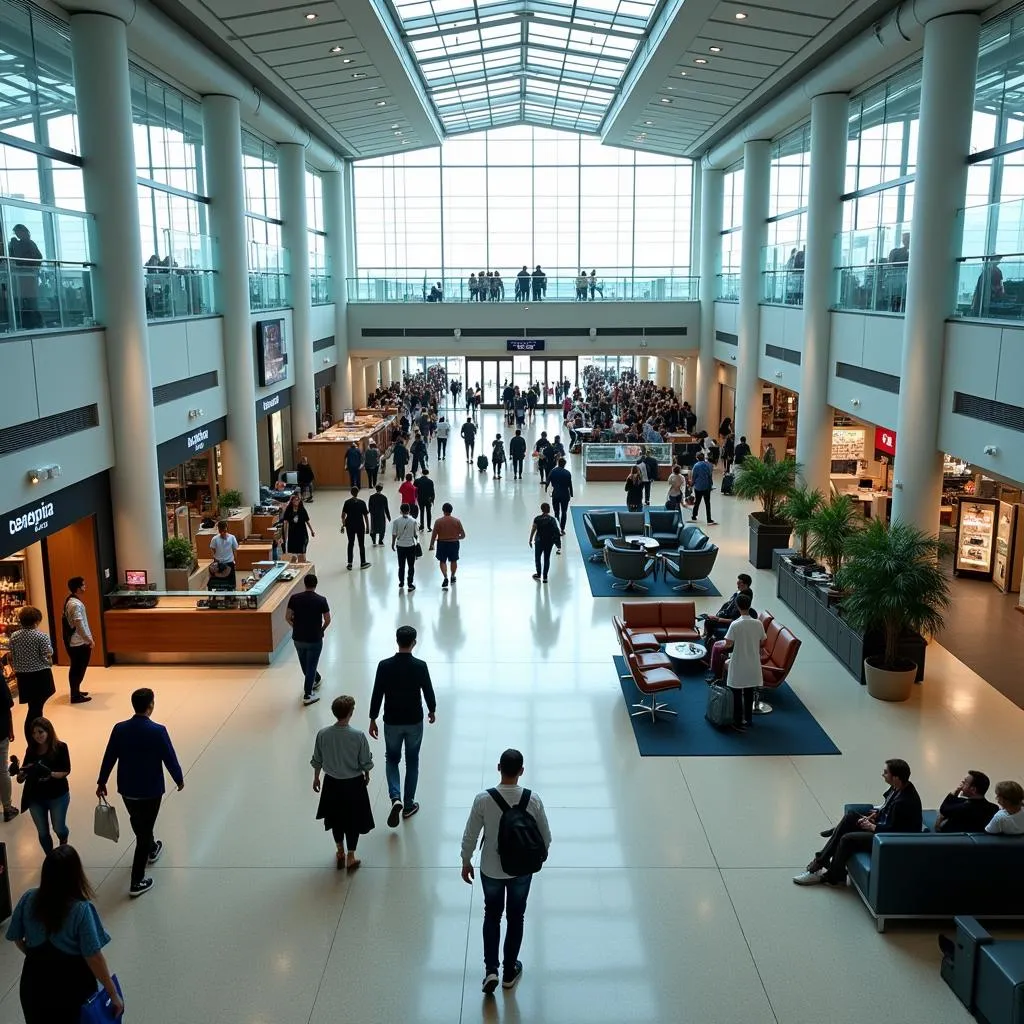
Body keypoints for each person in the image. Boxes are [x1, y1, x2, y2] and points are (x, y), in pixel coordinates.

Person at [461, 748, 551, 995]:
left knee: (492, 914)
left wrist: (466, 860)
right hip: (521, 870)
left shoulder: (483, 799)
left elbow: (470, 835)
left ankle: (491, 969)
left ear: (498, 767)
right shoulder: (533, 800)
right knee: (516, 917)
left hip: (491, 868)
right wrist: (539, 856)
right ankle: (510, 970)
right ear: (522, 771)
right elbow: (546, 837)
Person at [5, 846, 123, 1023]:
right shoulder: (81, 910)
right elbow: (94, 957)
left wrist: (32, 955)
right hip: (72, 989)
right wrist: (112, 993)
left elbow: (15, 937)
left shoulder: (29, 898)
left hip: (33, 986)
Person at [96, 687, 185, 898]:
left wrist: (102, 781)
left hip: (127, 789)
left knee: (139, 821)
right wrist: (178, 778)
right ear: (151, 705)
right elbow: (169, 757)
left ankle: (152, 847)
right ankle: (137, 880)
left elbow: (109, 756)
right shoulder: (158, 731)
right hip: (151, 790)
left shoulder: (119, 729)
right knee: (143, 833)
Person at [792, 759, 922, 887]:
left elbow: (895, 830)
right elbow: (887, 807)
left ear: (896, 778)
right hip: (885, 827)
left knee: (847, 839)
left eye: (886, 772)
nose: (883, 775)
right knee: (850, 817)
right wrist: (875, 815)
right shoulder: (898, 787)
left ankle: (832, 876)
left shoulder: (904, 802)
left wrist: (872, 826)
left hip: (890, 838)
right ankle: (821, 860)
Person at [369, 625, 436, 827]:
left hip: (392, 720)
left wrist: (373, 718)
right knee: (412, 761)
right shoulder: (420, 666)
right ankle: (408, 805)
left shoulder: (384, 666)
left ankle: (395, 797)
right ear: (414, 643)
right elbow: (428, 690)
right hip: (414, 720)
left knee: (392, 759)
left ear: (396, 641)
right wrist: (432, 710)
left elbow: (377, 693)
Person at [312, 695, 374, 871]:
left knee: (335, 819)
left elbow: (317, 759)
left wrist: (316, 777)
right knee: (352, 821)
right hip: (353, 784)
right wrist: (367, 774)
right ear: (350, 713)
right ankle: (351, 856)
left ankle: (340, 850)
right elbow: (365, 762)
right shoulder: (358, 736)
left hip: (331, 783)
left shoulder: (323, 734)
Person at [18, 717, 71, 853]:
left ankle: (63, 843)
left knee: (59, 827)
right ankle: (50, 858)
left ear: (48, 732)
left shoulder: (60, 747)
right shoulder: (31, 750)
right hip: (35, 797)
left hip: (57, 795)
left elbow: (65, 770)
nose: (37, 736)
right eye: (34, 733)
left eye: (40, 732)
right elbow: (24, 772)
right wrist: (22, 774)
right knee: (42, 832)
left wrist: (50, 773)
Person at [9, 606, 55, 745]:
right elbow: (47, 653)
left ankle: (37, 734)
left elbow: (13, 654)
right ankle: (36, 735)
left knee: (33, 706)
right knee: (35, 709)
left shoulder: (14, 636)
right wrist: (49, 660)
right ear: (36, 621)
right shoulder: (41, 636)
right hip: (40, 675)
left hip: (23, 676)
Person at [720, 594, 766, 730]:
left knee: (736, 692)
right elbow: (763, 641)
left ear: (737, 606)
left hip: (739, 663)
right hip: (753, 664)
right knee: (749, 691)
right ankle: (749, 719)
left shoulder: (735, 624)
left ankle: (738, 721)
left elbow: (728, 644)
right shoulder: (758, 624)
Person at [286, 573, 330, 707]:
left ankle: (316, 679)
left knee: (305, 665)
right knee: (311, 665)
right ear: (316, 585)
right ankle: (307, 694)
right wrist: (321, 630)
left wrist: (296, 626)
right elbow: (327, 619)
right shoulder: (321, 600)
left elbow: (287, 617)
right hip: (314, 639)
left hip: (298, 638)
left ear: (304, 584)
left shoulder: (294, 598)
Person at [933, 771, 998, 833]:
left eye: (964, 782)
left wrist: (955, 791)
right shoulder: (994, 808)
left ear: (973, 789)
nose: (961, 784)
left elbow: (944, 809)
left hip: (952, 842)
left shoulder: (963, 808)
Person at [61, 577, 93, 705]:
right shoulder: (75, 604)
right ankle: (75, 695)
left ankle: (76, 690)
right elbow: (79, 624)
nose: (85, 587)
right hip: (78, 642)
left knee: (78, 667)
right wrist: (88, 639)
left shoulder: (71, 601)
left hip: (77, 640)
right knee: (78, 668)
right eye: (83, 585)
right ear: (78, 588)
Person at [430, 502, 466, 589]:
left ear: (443, 510)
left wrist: (431, 544)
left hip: (442, 543)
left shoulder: (438, 522)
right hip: (454, 543)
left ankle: (445, 577)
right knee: (454, 560)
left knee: (442, 561)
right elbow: (463, 535)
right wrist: (456, 537)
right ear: (451, 510)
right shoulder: (457, 521)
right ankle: (453, 576)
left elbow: (434, 534)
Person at [529, 502, 561, 582]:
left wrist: (530, 539)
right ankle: (545, 577)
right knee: (547, 558)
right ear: (549, 509)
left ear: (541, 509)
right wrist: (558, 544)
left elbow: (533, 529)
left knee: (538, 557)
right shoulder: (552, 520)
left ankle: (539, 574)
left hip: (539, 541)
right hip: (549, 541)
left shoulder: (537, 519)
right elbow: (556, 531)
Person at [391, 503, 420, 591]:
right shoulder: (414, 521)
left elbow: (394, 534)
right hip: (410, 545)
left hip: (400, 545)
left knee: (401, 565)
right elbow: (416, 535)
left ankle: (401, 582)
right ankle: (410, 584)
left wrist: (393, 543)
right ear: (409, 510)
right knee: (411, 566)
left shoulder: (396, 521)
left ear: (400, 510)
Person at [341, 486, 370, 571]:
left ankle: (350, 564)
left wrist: (343, 525)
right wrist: (368, 527)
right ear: (358, 493)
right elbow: (365, 516)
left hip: (349, 526)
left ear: (351, 493)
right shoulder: (362, 503)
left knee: (350, 543)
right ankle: (363, 562)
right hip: (360, 525)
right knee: (361, 544)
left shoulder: (347, 502)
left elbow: (343, 516)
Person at [281, 493, 314, 561]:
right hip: (292, 534)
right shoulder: (288, 510)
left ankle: (302, 564)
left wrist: (311, 531)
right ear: (292, 501)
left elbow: (307, 521)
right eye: (295, 500)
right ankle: (294, 567)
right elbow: (285, 523)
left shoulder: (302, 509)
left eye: (298, 500)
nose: (297, 501)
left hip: (302, 533)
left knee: (301, 553)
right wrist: (284, 536)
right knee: (293, 554)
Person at [209, 519, 239, 588]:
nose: (222, 533)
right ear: (218, 529)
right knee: (218, 582)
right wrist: (215, 559)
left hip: (229, 562)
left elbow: (235, 550)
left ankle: (231, 595)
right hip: (218, 563)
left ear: (227, 528)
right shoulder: (215, 539)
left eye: (224, 531)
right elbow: (212, 549)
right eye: (220, 531)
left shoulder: (232, 538)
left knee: (231, 584)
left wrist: (236, 562)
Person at [547, 457, 573, 534]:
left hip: (555, 494)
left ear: (558, 463)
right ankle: (562, 529)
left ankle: (557, 528)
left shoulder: (553, 471)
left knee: (556, 512)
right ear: (564, 464)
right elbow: (569, 485)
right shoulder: (567, 473)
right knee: (564, 512)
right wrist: (571, 493)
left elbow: (548, 480)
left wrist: (546, 487)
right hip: (565, 494)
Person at [689, 452, 716, 525]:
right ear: (704, 457)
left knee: (697, 502)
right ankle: (709, 519)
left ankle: (694, 516)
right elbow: (710, 475)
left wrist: (691, 485)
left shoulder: (696, 466)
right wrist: (711, 485)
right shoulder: (708, 465)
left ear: (697, 458)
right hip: (706, 486)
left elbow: (694, 477)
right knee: (707, 503)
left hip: (698, 487)